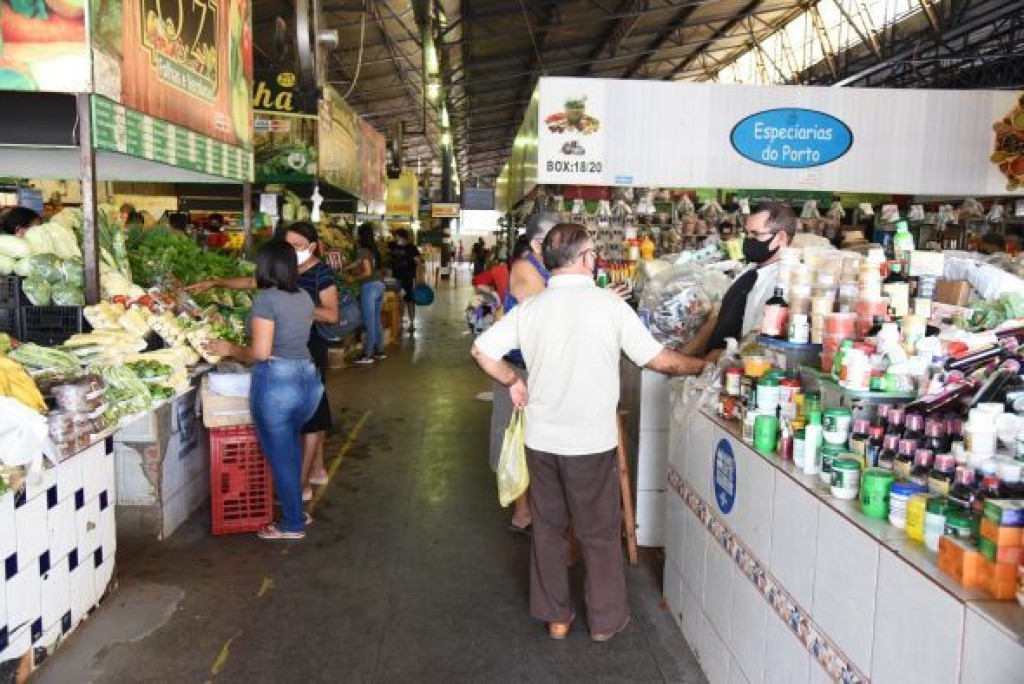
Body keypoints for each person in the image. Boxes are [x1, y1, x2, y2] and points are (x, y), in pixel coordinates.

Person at [470, 223, 707, 641]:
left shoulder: (531, 309)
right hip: (591, 443)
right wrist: (705, 365)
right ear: (584, 259)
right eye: (593, 252)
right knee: (598, 532)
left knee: (548, 530)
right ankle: (604, 621)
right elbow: (660, 361)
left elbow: (481, 350)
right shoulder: (609, 307)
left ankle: (556, 619)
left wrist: (512, 380)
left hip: (541, 440)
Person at [190, 222, 339, 500]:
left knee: (311, 420)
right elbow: (252, 282)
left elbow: (332, 315)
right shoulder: (282, 276)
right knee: (303, 418)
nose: (291, 250)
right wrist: (217, 282)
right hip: (284, 351)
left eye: (297, 245)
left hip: (307, 349)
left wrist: (293, 309)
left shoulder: (320, 274)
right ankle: (311, 473)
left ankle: (303, 483)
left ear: (312, 247)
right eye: (288, 244)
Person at [206, 239, 324, 540]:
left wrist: (229, 348)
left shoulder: (266, 300)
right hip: (308, 380)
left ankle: (292, 524)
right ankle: (297, 512)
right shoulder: (303, 296)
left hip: (278, 383)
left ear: (266, 266)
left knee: (282, 457)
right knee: (291, 450)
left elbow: (260, 353)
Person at [490, 217, 557, 536]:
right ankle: (522, 513)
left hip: (538, 366)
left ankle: (533, 512)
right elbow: (544, 316)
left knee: (533, 439)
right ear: (536, 244)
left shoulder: (548, 268)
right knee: (518, 440)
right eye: (555, 238)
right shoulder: (526, 269)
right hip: (518, 370)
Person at [684, 202, 797, 361]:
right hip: (711, 362)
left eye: (755, 234)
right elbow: (722, 314)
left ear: (781, 237)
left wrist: (713, 359)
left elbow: (757, 341)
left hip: (735, 367)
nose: (748, 240)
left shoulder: (785, 281)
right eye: (747, 233)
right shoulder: (750, 270)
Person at [348, 223, 386, 364]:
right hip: (380, 285)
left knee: (369, 322)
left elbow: (367, 272)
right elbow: (361, 263)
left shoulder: (363, 250)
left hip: (369, 287)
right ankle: (380, 351)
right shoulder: (373, 249)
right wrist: (346, 267)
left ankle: (367, 355)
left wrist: (353, 278)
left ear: (360, 235)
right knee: (376, 320)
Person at [388, 228, 423, 333]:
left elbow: (419, 263)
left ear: (402, 237)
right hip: (396, 279)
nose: (395, 238)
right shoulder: (393, 246)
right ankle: (400, 322)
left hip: (408, 278)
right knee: (399, 300)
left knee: (410, 301)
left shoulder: (411, 248)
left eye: (396, 236)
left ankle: (411, 323)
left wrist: (420, 278)